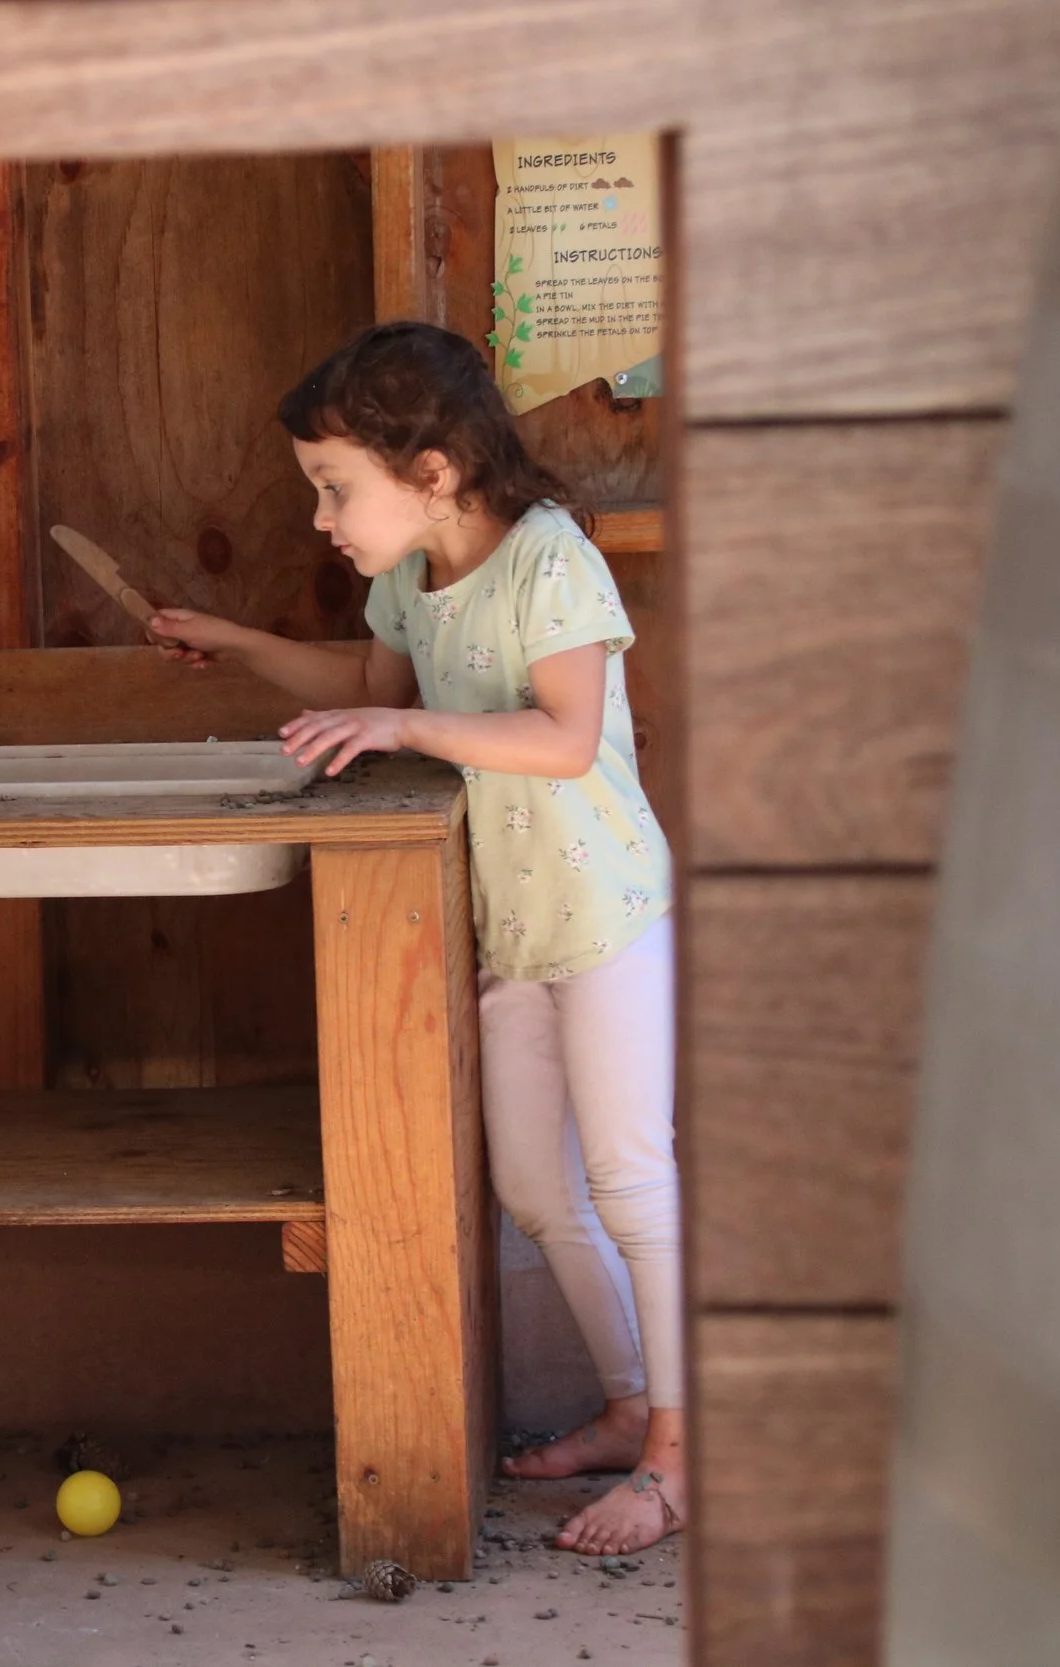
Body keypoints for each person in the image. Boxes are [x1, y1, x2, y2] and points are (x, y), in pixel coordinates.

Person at [147, 321, 683, 1556]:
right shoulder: (408, 584)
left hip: (605, 918)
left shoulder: (549, 560)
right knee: (537, 1192)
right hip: (510, 927)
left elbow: (558, 736)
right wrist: (231, 645)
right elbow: (366, 683)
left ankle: (675, 1453)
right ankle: (623, 1408)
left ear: (432, 470)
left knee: (629, 1180)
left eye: (337, 488)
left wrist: (413, 735)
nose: (325, 519)